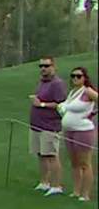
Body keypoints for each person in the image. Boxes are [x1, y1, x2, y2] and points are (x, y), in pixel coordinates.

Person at [30, 57, 69, 196]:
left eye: (46, 66)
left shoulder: (57, 84)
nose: (43, 68)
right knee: (41, 154)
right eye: (41, 66)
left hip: (49, 125)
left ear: (53, 67)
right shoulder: (42, 82)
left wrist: (41, 104)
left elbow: (61, 104)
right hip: (37, 125)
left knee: (51, 155)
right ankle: (44, 182)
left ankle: (56, 185)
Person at [58, 66, 97, 202]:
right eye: (73, 76)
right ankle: (76, 191)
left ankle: (85, 194)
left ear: (84, 78)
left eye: (78, 76)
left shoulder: (87, 91)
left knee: (85, 163)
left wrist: (92, 113)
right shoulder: (73, 92)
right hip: (69, 131)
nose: (75, 78)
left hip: (83, 131)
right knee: (74, 162)